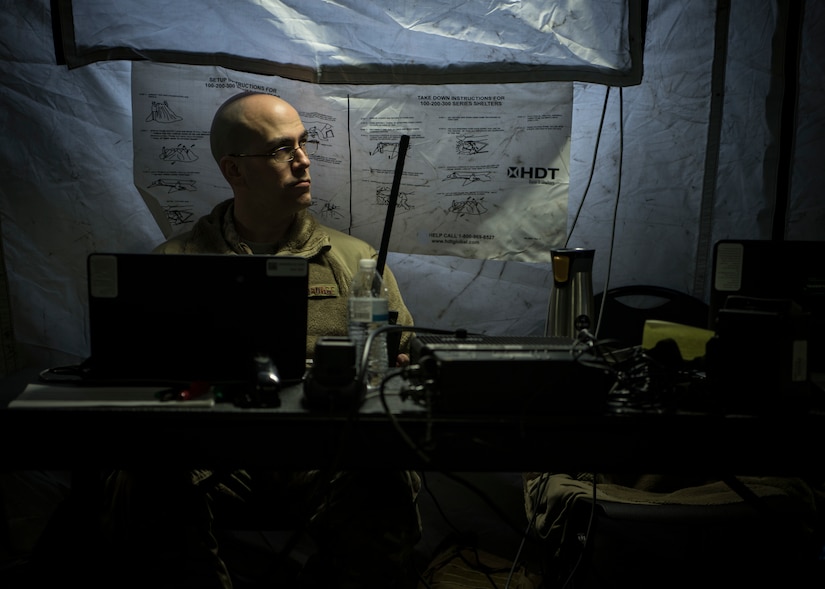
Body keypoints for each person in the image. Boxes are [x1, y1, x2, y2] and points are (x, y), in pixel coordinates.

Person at [100, 92, 422, 589]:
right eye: (280, 150)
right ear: (234, 170)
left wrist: (398, 362)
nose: (303, 160)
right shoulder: (174, 264)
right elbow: (142, 378)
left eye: (303, 143)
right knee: (141, 479)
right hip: (214, 460)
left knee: (384, 484)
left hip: (322, 460)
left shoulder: (356, 262)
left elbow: (406, 355)